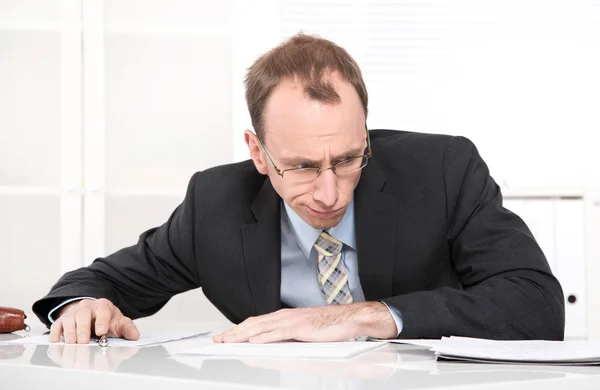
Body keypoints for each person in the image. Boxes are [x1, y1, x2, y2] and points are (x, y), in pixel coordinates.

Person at [32, 34, 565, 345]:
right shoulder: (215, 202)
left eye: (349, 159)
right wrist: (82, 305)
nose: (330, 193)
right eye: (303, 166)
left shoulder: (443, 169)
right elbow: (99, 281)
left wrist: (363, 315)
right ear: (258, 153)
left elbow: (538, 305)